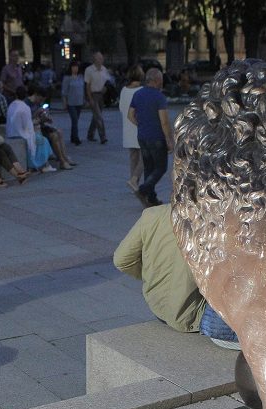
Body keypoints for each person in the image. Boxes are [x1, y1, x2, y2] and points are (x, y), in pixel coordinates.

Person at [113, 204, 205, 332]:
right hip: (195, 314)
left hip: (156, 305)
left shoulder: (152, 214)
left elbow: (121, 260)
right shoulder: (216, 222)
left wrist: (153, 275)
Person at [129, 68, 173, 208]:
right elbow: (164, 122)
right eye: (161, 79)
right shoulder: (159, 97)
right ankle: (143, 190)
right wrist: (169, 140)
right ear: (157, 80)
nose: (162, 82)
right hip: (157, 138)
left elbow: (130, 115)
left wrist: (141, 124)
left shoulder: (137, 94)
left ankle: (151, 198)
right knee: (160, 167)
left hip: (142, 136)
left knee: (149, 167)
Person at [6, 86, 56, 172]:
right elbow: (28, 126)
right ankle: (42, 165)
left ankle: (42, 165)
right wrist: (39, 121)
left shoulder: (12, 105)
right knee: (43, 140)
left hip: (12, 132)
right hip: (21, 133)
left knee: (40, 138)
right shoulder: (25, 107)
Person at [27, 86, 75, 169]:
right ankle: (62, 161)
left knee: (59, 131)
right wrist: (37, 113)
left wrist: (46, 117)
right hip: (33, 129)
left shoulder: (37, 103)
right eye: (41, 99)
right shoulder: (27, 104)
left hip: (40, 126)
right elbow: (28, 121)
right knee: (54, 136)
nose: (41, 101)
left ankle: (65, 157)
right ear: (36, 95)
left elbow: (39, 118)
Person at [119, 65, 144, 193]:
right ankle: (134, 180)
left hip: (127, 127)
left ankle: (134, 182)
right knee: (144, 156)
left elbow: (121, 108)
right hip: (138, 125)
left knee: (133, 156)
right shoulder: (141, 90)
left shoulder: (124, 90)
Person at [84, 52, 110, 143]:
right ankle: (103, 137)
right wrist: (89, 98)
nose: (101, 60)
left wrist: (106, 88)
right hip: (93, 94)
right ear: (94, 59)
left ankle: (90, 134)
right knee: (99, 116)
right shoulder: (89, 70)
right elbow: (87, 85)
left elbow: (107, 81)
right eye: (99, 58)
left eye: (102, 58)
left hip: (101, 95)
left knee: (96, 116)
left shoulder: (104, 69)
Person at [61, 60, 85, 145]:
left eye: (77, 67)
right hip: (71, 103)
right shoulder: (67, 78)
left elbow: (83, 89)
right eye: (74, 67)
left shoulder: (81, 77)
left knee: (75, 121)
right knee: (74, 119)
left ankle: (72, 136)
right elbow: (64, 91)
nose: (75, 69)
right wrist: (64, 102)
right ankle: (76, 138)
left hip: (79, 102)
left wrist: (84, 100)